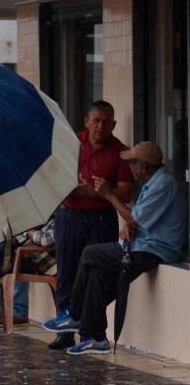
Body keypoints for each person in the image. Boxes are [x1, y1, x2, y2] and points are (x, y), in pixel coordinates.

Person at [43, 141, 187, 355]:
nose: (129, 168)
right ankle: (97, 337)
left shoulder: (163, 185)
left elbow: (135, 219)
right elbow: (136, 220)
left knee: (90, 253)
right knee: (97, 275)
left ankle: (75, 313)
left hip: (152, 251)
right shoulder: (152, 184)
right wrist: (129, 224)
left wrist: (109, 194)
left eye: (132, 163)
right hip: (141, 244)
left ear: (143, 167)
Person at [48, 101, 134, 350]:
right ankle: (64, 332)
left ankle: (90, 332)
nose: (100, 126)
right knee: (66, 274)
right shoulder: (71, 143)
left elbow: (126, 192)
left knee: (96, 275)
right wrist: (72, 187)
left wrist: (96, 193)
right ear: (86, 121)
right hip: (70, 216)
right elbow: (53, 175)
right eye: (96, 120)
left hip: (101, 219)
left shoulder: (120, 152)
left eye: (106, 121)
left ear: (114, 125)